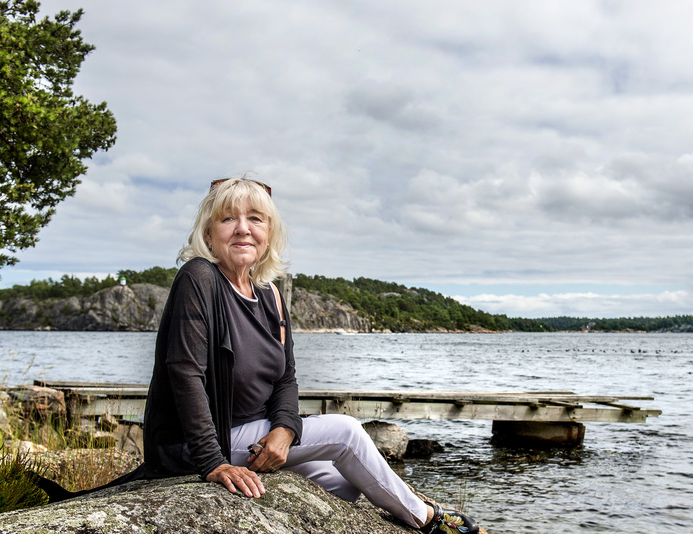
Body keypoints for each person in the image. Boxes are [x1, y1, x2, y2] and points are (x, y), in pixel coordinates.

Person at [139, 177, 480, 533]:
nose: (243, 229)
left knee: (345, 488)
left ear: (269, 232)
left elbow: (286, 377)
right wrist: (213, 463)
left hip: (260, 434)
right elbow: (184, 373)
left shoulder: (270, 295)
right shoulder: (199, 277)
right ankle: (429, 520)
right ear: (209, 234)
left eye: (255, 219)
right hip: (215, 441)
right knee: (347, 432)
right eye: (228, 219)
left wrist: (286, 429)